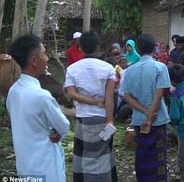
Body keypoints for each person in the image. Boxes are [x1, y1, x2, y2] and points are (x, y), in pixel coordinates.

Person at [7, 35, 71, 182]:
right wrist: (57, 131)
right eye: (44, 53)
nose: (47, 58)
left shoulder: (13, 91)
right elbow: (64, 126)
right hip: (46, 168)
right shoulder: (42, 96)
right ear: (34, 61)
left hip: (25, 167)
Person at [64, 31, 118, 182]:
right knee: (102, 157)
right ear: (98, 47)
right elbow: (109, 97)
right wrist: (110, 120)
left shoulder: (72, 69)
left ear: (80, 47)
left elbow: (72, 94)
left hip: (83, 119)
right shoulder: (108, 68)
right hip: (102, 119)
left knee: (84, 158)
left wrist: (91, 102)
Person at [121, 33, 171, 181]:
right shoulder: (160, 67)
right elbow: (159, 94)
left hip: (139, 119)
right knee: (159, 160)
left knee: (142, 157)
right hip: (158, 119)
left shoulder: (130, 70)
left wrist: (144, 112)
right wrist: (151, 116)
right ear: (153, 47)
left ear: (137, 48)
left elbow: (126, 95)